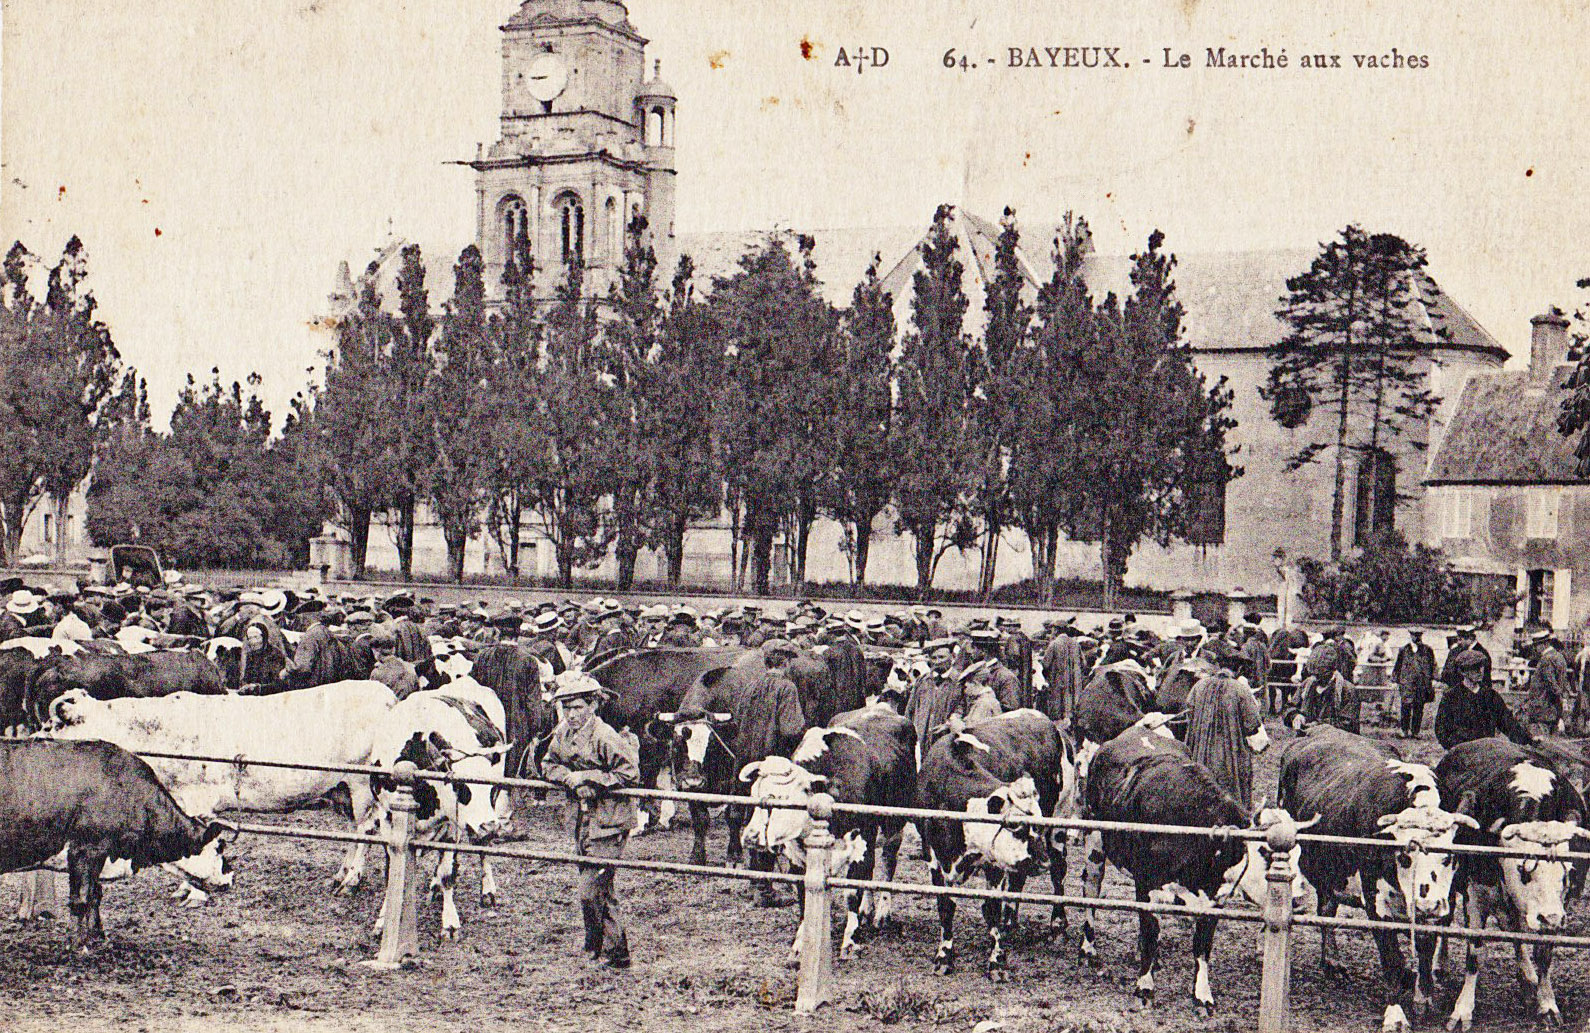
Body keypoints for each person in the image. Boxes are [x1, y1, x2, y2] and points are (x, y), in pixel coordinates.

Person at [540, 672, 639, 970]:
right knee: (599, 888)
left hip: (608, 821)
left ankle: (610, 949)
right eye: (566, 708)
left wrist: (590, 778)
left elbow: (630, 774)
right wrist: (570, 780)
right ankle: (604, 948)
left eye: (578, 707)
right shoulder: (564, 734)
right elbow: (548, 763)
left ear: (594, 705)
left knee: (591, 889)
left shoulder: (605, 736)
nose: (571, 714)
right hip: (582, 821)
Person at [1184, 662, 1267, 808]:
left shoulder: (1199, 686)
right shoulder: (1240, 689)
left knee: (1200, 781)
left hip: (1201, 748)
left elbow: (1188, 711)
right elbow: (1252, 724)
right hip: (1230, 750)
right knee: (1230, 785)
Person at [1435, 648, 1533, 749]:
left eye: (1481, 666)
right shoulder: (1451, 697)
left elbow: (1508, 724)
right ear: (1463, 671)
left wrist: (1530, 741)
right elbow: (1441, 730)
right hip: (1462, 753)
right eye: (1474, 667)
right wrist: (1456, 747)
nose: (1480, 671)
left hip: (1486, 752)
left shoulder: (1490, 696)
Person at [1524, 629, 1574, 734]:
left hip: (1542, 709)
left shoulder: (1546, 660)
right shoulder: (1559, 657)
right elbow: (1563, 682)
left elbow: (1551, 684)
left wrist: (1558, 699)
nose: (1535, 648)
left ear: (1545, 644)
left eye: (1537, 645)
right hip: (1552, 709)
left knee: (1539, 742)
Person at [282, 608, 344, 688]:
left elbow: (302, 667)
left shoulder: (309, 637)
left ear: (307, 617)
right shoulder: (325, 630)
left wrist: (286, 663)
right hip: (329, 682)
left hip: (314, 684)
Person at [1393, 628, 1437, 738]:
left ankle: (1416, 732)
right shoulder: (1404, 650)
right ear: (1411, 636)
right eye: (1414, 635)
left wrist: (1434, 679)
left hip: (1421, 683)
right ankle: (1404, 730)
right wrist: (1396, 680)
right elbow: (1398, 666)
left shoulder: (1427, 650)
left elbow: (1433, 665)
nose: (1417, 637)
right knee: (1405, 706)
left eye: (1419, 635)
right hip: (1407, 683)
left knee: (1419, 707)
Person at [369, 626, 420, 700]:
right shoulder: (409, 667)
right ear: (393, 649)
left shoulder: (377, 673)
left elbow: (374, 697)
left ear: (375, 651)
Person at [239, 621, 287, 690]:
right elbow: (246, 678)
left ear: (264, 637)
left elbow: (278, 683)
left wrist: (259, 688)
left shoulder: (275, 654)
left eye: (256, 637)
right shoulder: (250, 656)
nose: (253, 642)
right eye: (250, 638)